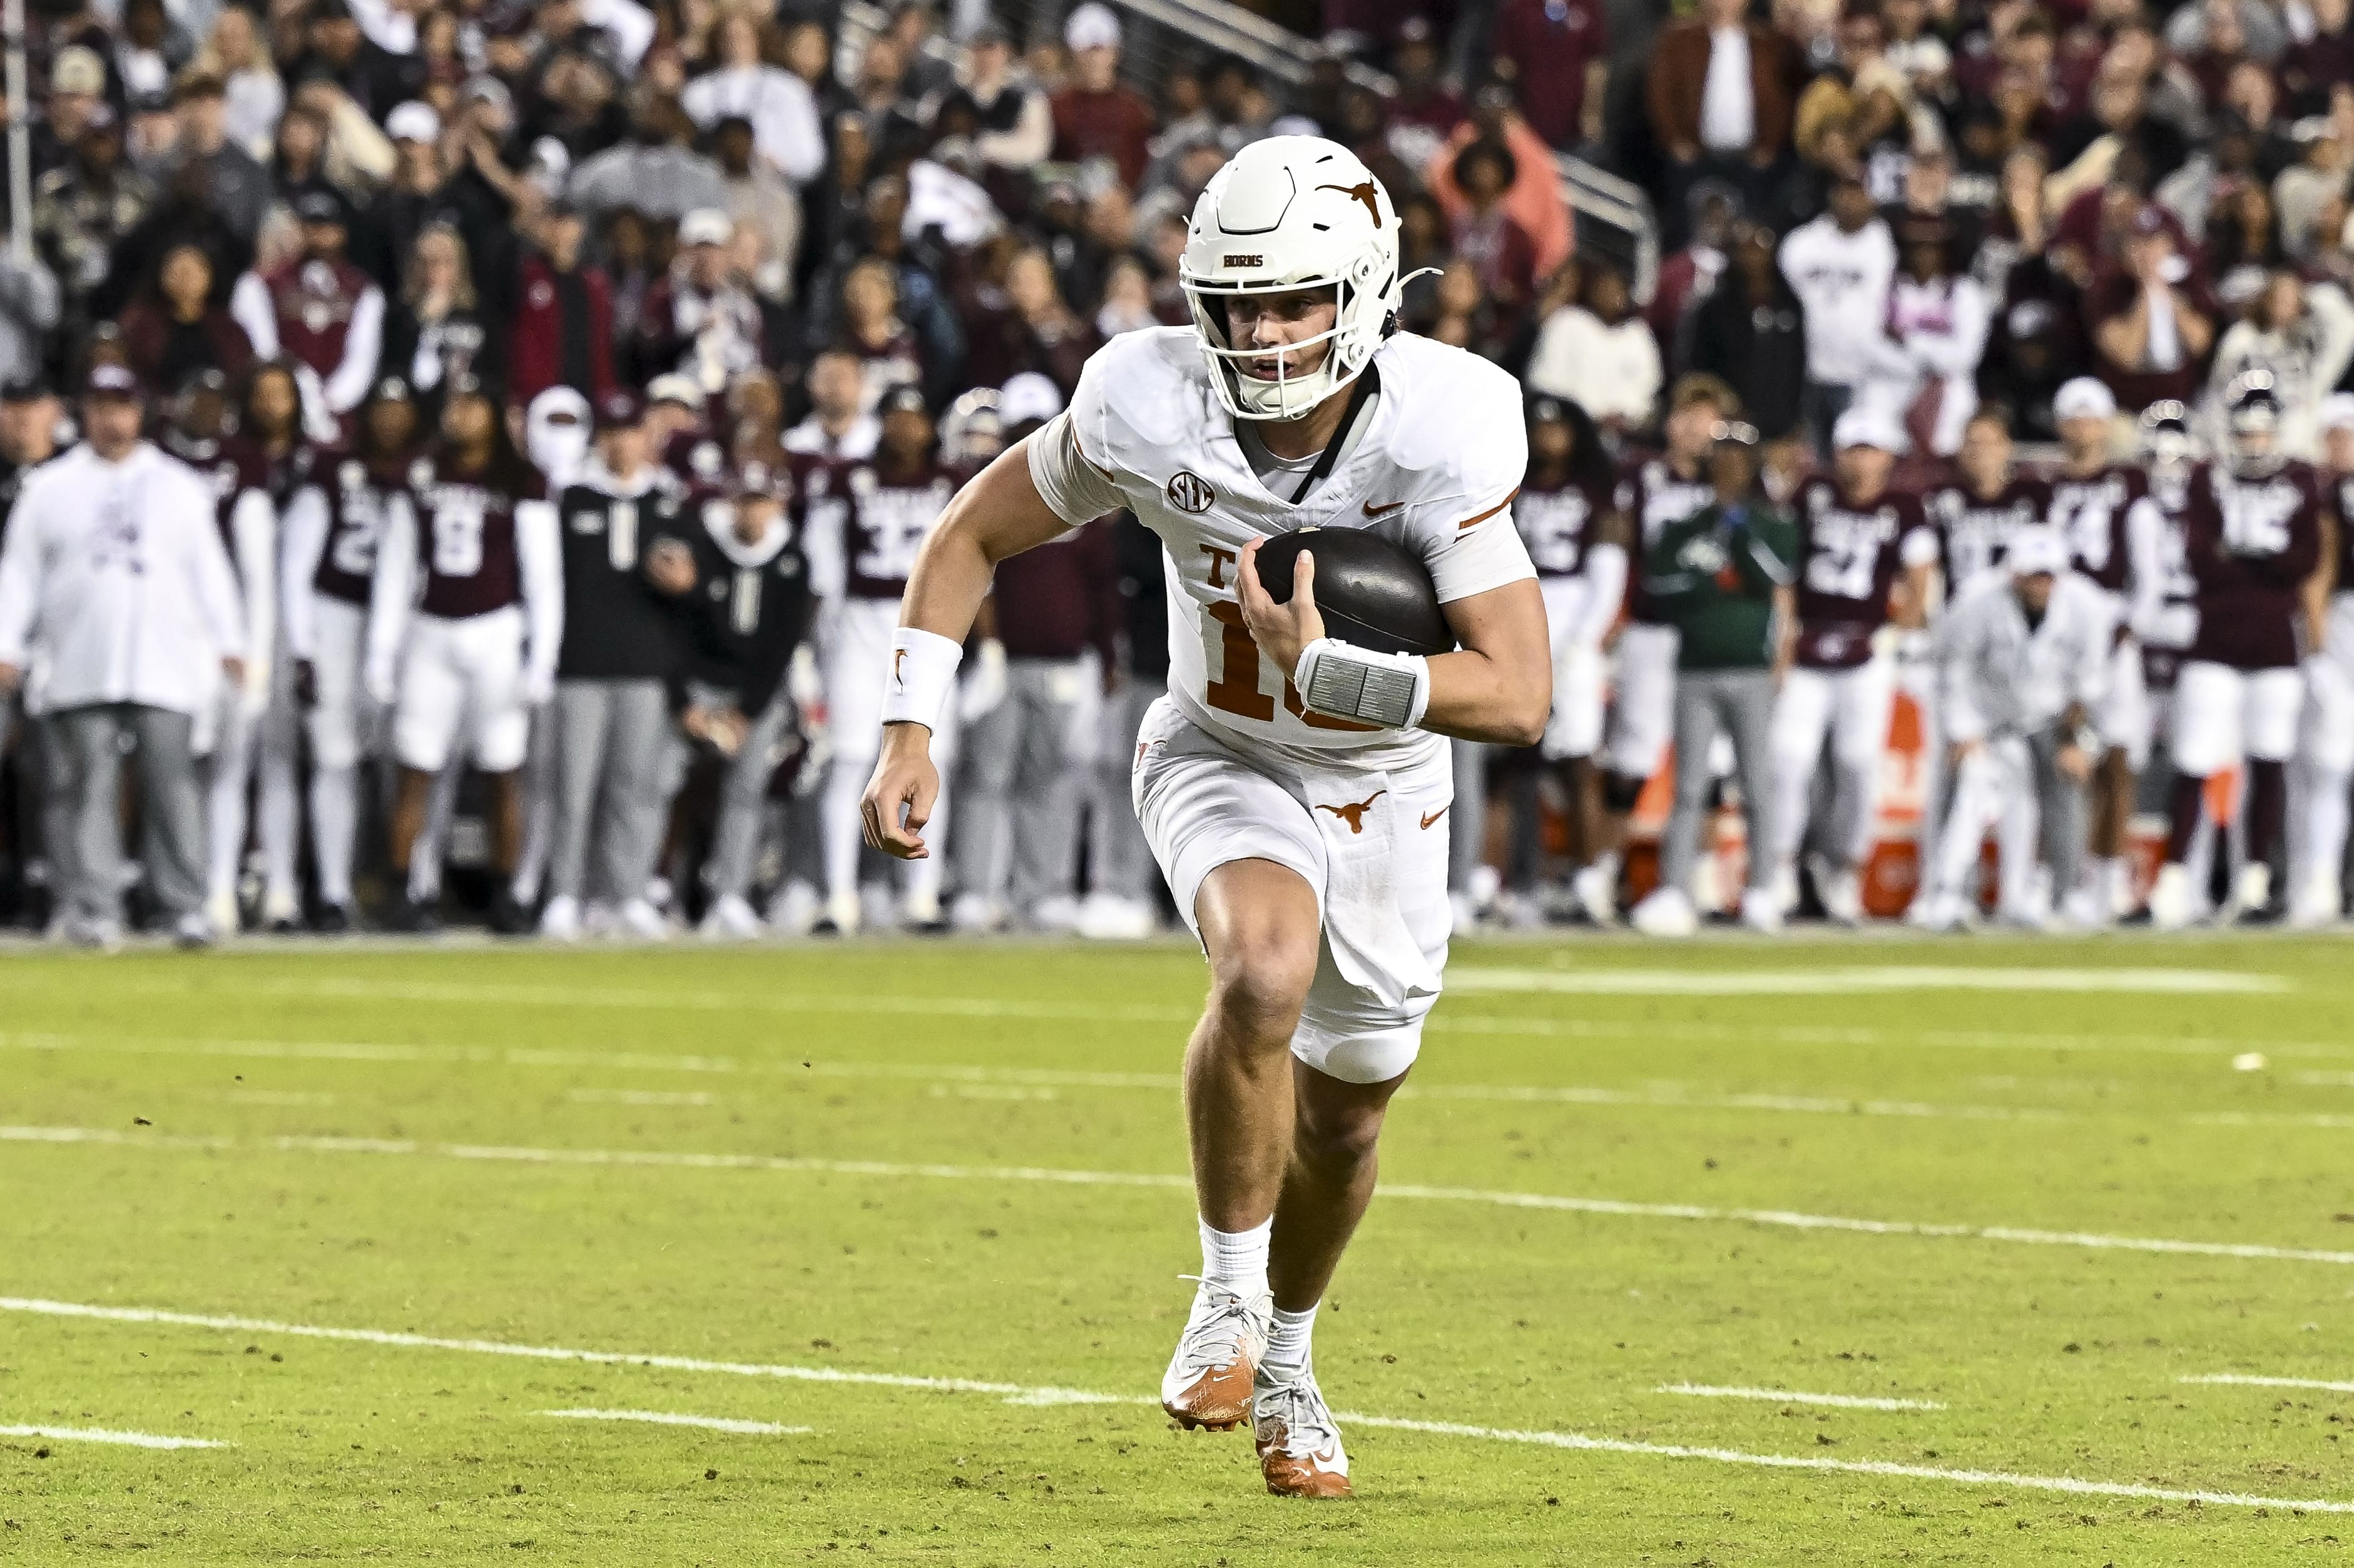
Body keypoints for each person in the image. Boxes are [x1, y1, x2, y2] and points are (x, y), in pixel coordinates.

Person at [859, 138, 1547, 1498]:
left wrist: (1335, 669)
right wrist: (907, 723)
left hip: (1387, 784)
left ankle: (1291, 1356)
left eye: (1293, 302)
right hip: (1219, 747)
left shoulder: (1442, 420)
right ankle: (1226, 1296)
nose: (1263, 332)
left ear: (1358, 291)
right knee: (1262, 969)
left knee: (1350, 1119)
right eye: (1237, 304)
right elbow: (969, 537)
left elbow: (1518, 693)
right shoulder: (1144, 400)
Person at [0, 363, 244, 948]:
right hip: (79, 657)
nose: (113, 419)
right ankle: (93, 908)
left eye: (122, 406)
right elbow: (20, 574)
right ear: (84, 412)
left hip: (166, 661)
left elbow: (208, 569)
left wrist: (230, 639)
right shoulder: (49, 487)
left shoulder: (180, 485)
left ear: (141, 412)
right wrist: (6, 642)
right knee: (85, 789)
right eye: (102, 406)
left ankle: (184, 906)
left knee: (174, 787)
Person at [366, 374, 559, 932]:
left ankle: (506, 893)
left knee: (504, 769)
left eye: (475, 405)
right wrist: (383, 651)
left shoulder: (521, 479)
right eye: (457, 405)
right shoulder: (423, 471)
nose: (463, 416)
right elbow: (398, 568)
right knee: (415, 770)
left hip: (497, 630)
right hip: (431, 629)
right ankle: (404, 890)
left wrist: (540, 656)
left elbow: (543, 578)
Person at [2150, 377, 2330, 927]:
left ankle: (2253, 881)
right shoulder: (2209, 477)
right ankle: (2176, 879)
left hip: (2275, 645)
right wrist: (2263, 558)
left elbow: (2304, 558)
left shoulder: (2301, 479)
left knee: (2268, 760)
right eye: (2245, 431)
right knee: (2195, 761)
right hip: (2216, 641)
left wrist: (2245, 554)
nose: (2253, 442)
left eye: (2260, 431)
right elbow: (2202, 556)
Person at [950, 376, 1119, 935]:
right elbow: (977, 573)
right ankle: (978, 888)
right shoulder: (994, 492)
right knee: (988, 777)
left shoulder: (1087, 495)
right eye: (1024, 430)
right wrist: (986, 648)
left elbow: (1100, 584)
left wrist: (1105, 654)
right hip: (1006, 659)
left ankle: (1041, 890)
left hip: (1064, 663)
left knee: (1050, 781)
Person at [1628, 422, 1796, 937]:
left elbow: (1772, 577)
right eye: (1722, 455)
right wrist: (1715, 576)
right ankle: (1676, 890)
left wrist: (1736, 537)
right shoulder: (1684, 525)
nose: (1729, 466)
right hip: (1694, 667)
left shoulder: (1772, 524)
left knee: (1757, 785)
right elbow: (1664, 584)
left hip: (1750, 668)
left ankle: (1763, 889)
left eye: (1739, 457)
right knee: (1689, 787)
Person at [1770, 406, 1938, 923]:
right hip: (1809, 646)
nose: (1862, 461)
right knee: (1789, 760)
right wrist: (1784, 640)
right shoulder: (1811, 496)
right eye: (1853, 449)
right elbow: (1785, 574)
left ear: (1888, 456)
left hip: (1867, 649)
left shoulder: (1906, 508)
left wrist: (1899, 632)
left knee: (1858, 763)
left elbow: (1921, 578)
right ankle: (1778, 866)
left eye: (1871, 449)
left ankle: (1845, 868)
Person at [539, 390, 696, 941]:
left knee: (635, 788)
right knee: (573, 788)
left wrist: (684, 582)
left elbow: (692, 587)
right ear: (599, 438)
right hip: (580, 662)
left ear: (645, 438)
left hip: (644, 665)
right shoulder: (571, 498)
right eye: (613, 432)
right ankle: (564, 894)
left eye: (631, 432)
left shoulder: (668, 502)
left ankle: (627, 894)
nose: (622, 443)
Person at [808, 382, 964, 935]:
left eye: (914, 418)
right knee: (849, 758)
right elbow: (822, 574)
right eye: (895, 417)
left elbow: (975, 568)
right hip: (859, 622)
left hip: (927, 627)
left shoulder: (950, 482)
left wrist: (987, 644)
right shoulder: (847, 480)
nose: (905, 429)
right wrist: (813, 650)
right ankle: (839, 897)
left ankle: (921, 898)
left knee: (931, 760)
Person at [1914, 527, 2112, 931]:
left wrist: (2078, 742)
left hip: (2047, 712)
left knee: (2065, 784)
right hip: (1983, 711)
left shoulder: (2086, 607)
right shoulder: (1976, 600)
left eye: (2048, 575)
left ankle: (2061, 894)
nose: (2041, 584)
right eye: (2032, 574)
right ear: (2013, 573)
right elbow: (1954, 671)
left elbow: (2089, 684)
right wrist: (1963, 733)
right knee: (1971, 791)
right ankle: (1946, 893)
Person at [1587, 374, 1731, 921]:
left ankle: (1703, 883)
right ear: (1671, 422)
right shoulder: (1642, 476)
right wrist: (1612, 616)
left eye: (1709, 418)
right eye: (1690, 417)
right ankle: (1600, 874)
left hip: (1708, 632)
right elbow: (1617, 547)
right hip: (1651, 629)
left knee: (1713, 764)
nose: (1699, 430)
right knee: (1632, 757)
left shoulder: (1733, 476)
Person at [282, 373, 417, 932]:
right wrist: (302, 644)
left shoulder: (425, 472)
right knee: (334, 756)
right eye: (380, 410)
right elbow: (297, 560)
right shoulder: (332, 471)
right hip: (337, 613)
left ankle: (408, 886)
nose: (389, 421)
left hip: (414, 622)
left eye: (399, 409)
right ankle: (334, 890)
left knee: (408, 760)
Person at [679, 462, 814, 938]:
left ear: (776, 505)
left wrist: (746, 713)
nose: (753, 514)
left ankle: (729, 895)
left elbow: (783, 643)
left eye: (762, 502)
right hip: (699, 685)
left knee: (746, 793)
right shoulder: (703, 544)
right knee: (659, 783)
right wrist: (685, 704)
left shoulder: (792, 559)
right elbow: (680, 630)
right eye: (746, 501)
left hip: (756, 691)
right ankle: (649, 891)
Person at [1514, 395, 1625, 919]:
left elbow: (1608, 571)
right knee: (1510, 765)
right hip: (1520, 616)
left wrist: (1583, 640)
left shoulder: (1597, 490)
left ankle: (1590, 875)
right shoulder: (1509, 481)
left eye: (1557, 427)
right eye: (1539, 426)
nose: (1547, 437)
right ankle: (1504, 879)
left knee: (1580, 762)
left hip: (1573, 621)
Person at [2045, 377, 2151, 924]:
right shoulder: (2042, 489)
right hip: (2057, 636)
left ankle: (2106, 879)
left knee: (2116, 761)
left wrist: (2130, 625)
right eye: (2075, 417)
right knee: (2054, 760)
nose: (2084, 428)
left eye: (2092, 417)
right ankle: (2056, 878)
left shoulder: (2131, 486)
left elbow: (2148, 567)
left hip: (2111, 629)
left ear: (2107, 424)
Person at [231, 188, 384, 439]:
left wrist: (329, 402)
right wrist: (301, 392)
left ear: (342, 232)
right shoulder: (261, 284)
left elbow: (363, 356)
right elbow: (262, 347)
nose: (319, 236)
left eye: (327, 227)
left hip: (339, 417)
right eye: (311, 226)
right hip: (276, 410)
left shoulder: (364, 291)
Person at [1777, 173, 1895, 455]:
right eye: (1844, 191)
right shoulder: (1801, 243)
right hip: (1806, 374)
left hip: (1867, 376)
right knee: (1812, 460)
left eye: (1858, 192)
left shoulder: (1889, 245)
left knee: (1856, 458)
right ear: (1832, 195)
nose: (1851, 201)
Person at [2298, 396, 2354, 923]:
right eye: (2335, 434)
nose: (2343, 444)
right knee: (2330, 762)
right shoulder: (2319, 491)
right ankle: (2319, 882)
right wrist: (2316, 646)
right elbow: (2320, 569)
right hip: (2341, 624)